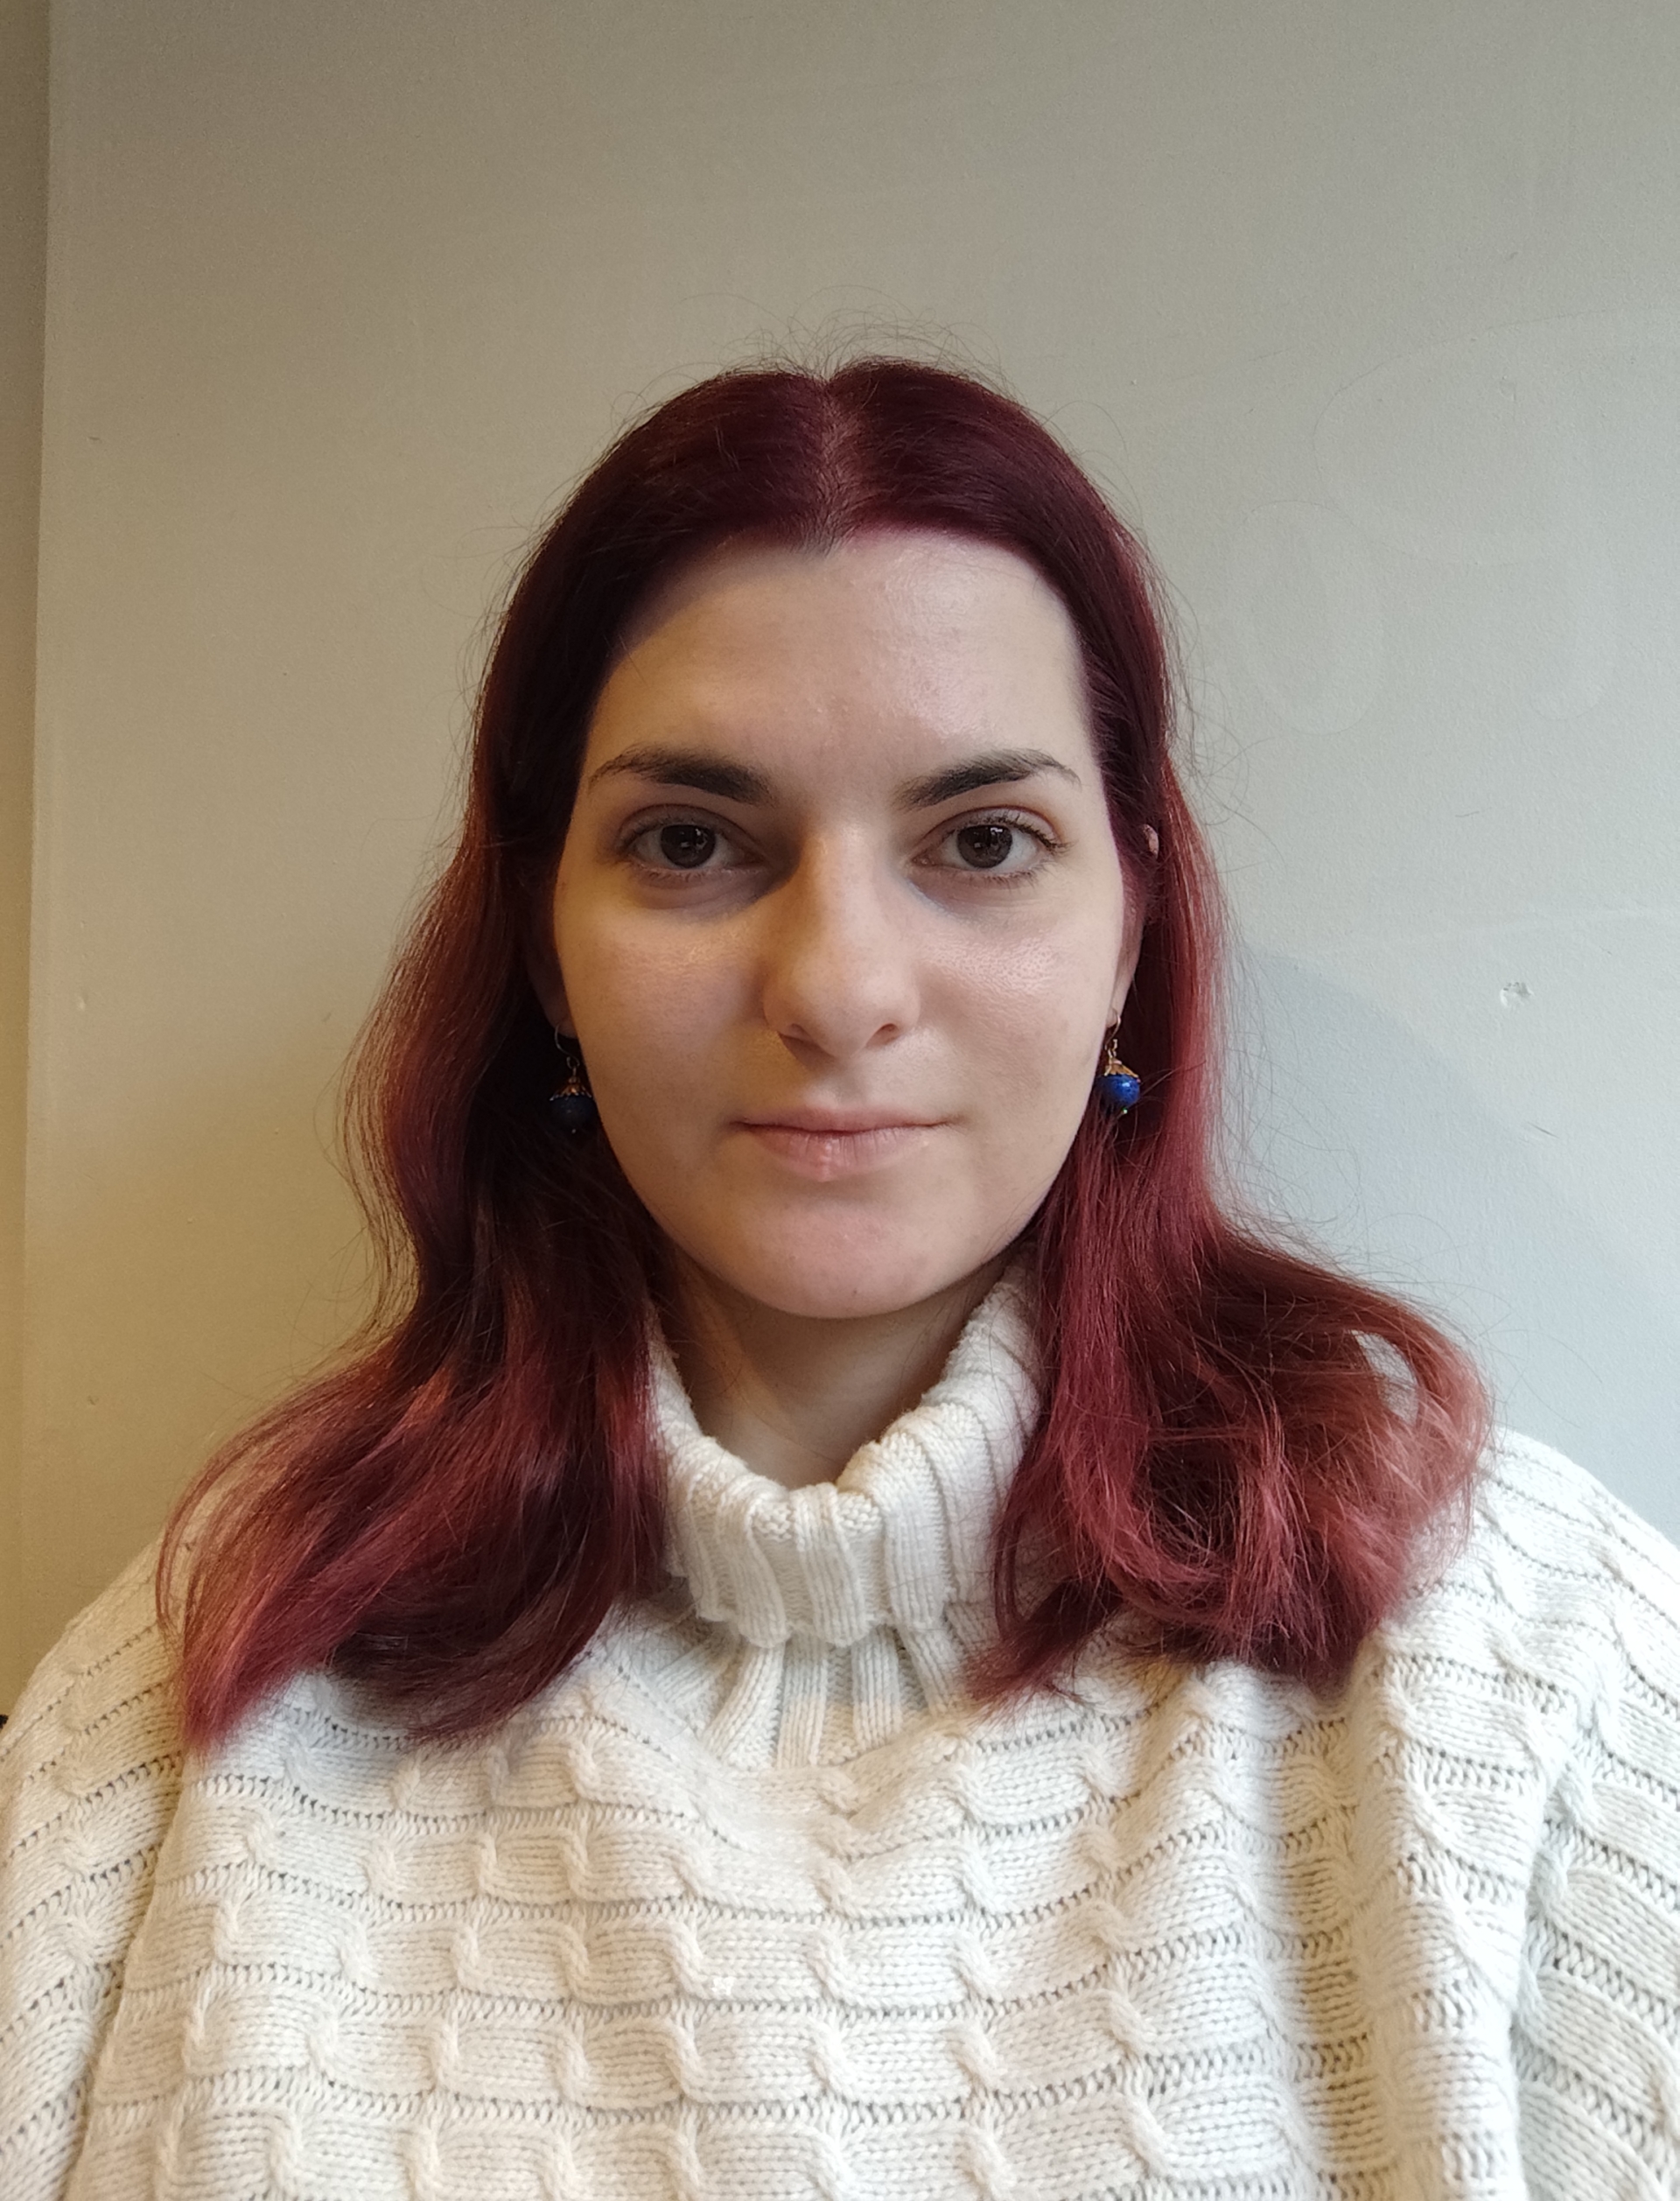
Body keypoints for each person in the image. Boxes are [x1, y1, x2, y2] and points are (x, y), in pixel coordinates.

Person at [3, 360, 1677, 2201]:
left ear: (1131, 924)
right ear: (546, 944)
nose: (837, 987)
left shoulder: (1523, 1670)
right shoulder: (213, 1673)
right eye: (692, 842)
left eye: (983, 842)